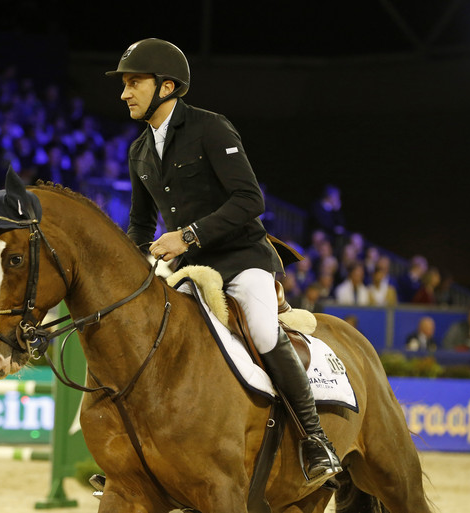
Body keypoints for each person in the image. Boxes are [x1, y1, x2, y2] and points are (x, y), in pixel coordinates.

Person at [105, 38, 340, 482]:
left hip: (242, 258)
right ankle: (143, 452)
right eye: (125, 84)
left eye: (134, 82)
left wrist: (188, 235)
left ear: (167, 86)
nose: (124, 93)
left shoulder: (210, 128)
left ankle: (314, 440)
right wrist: (127, 266)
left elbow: (251, 200)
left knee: (265, 331)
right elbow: (139, 224)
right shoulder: (138, 151)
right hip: (190, 269)